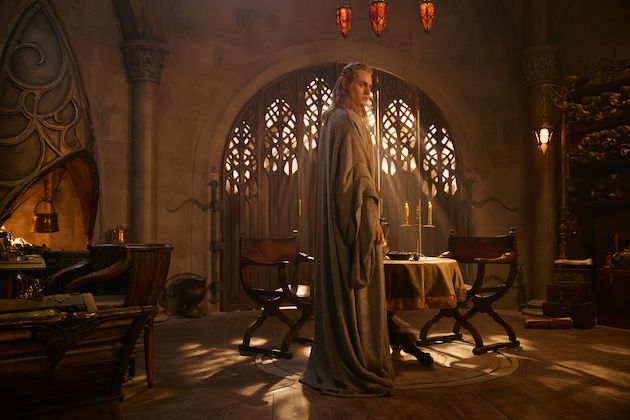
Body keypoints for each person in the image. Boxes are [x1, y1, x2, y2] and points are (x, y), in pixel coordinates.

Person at [301, 63, 395, 397]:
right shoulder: (348, 121)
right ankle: (360, 358)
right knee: (360, 290)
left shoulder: (332, 121)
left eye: (370, 86)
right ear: (344, 84)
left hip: (337, 222)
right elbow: (357, 181)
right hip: (351, 226)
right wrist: (370, 221)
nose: (368, 91)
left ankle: (340, 356)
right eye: (362, 84)